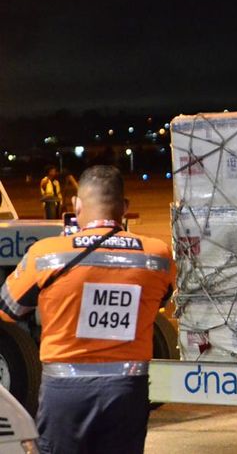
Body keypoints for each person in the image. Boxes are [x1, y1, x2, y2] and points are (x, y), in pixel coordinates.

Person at [0, 165, 175, 453]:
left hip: (65, 392)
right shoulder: (156, 256)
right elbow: (161, 299)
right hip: (127, 391)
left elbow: (8, 309)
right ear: (125, 207)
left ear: (76, 205)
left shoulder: (47, 254)